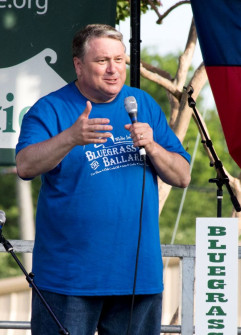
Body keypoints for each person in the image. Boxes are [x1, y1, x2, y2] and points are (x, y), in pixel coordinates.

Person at [16, 24, 191, 335]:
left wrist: (152, 145)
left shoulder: (143, 104)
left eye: (119, 60)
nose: (113, 70)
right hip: (69, 279)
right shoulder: (52, 108)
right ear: (79, 65)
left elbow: (182, 176)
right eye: (102, 61)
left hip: (138, 278)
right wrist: (70, 137)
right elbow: (26, 166)